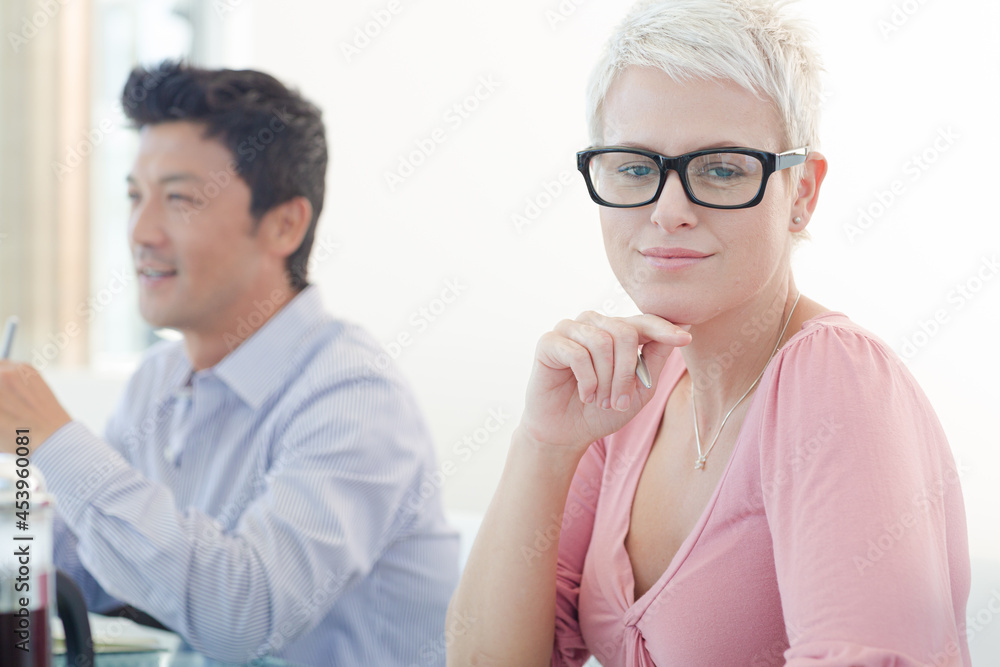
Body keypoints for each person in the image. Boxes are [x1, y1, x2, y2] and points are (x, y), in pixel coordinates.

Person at [447, 1, 971, 665]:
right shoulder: (635, 389)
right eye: (635, 167)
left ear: (802, 191)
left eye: (721, 169)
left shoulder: (836, 377)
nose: (669, 212)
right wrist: (543, 445)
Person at [0, 61, 459, 666]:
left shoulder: (353, 395)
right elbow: (83, 575)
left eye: (179, 199)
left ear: (284, 224)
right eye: (135, 196)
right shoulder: (158, 381)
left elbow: (248, 616)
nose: (141, 231)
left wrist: (51, 439)